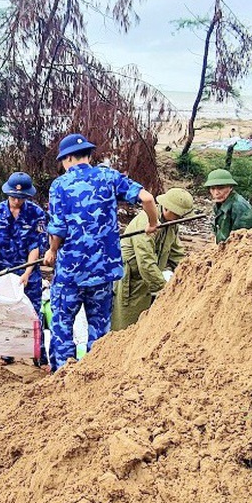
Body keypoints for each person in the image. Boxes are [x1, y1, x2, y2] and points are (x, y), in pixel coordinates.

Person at [43, 134, 159, 370]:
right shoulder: (109, 176)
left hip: (70, 275)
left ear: (67, 159)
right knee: (99, 328)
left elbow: (58, 231)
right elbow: (147, 198)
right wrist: (152, 223)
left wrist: (52, 251)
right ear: (88, 156)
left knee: (62, 326)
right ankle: (95, 375)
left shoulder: (60, 185)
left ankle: (62, 377)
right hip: (103, 272)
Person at [0, 172, 48, 364]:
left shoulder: (36, 214)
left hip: (27, 270)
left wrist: (28, 272)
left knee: (33, 313)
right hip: (3, 271)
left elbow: (35, 245)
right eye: (13, 196)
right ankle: (8, 351)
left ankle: (39, 354)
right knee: (6, 312)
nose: (16, 201)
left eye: (20, 198)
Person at [112, 188, 193, 331]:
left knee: (148, 326)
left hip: (151, 278)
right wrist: (164, 289)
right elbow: (145, 261)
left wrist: (191, 273)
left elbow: (176, 254)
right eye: (178, 215)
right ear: (167, 208)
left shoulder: (171, 225)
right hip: (132, 280)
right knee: (127, 325)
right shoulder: (146, 221)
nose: (181, 219)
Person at [205, 169, 252, 244]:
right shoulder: (219, 204)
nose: (216, 193)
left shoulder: (239, 206)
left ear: (231, 187)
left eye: (221, 188)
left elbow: (245, 237)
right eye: (212, 188)